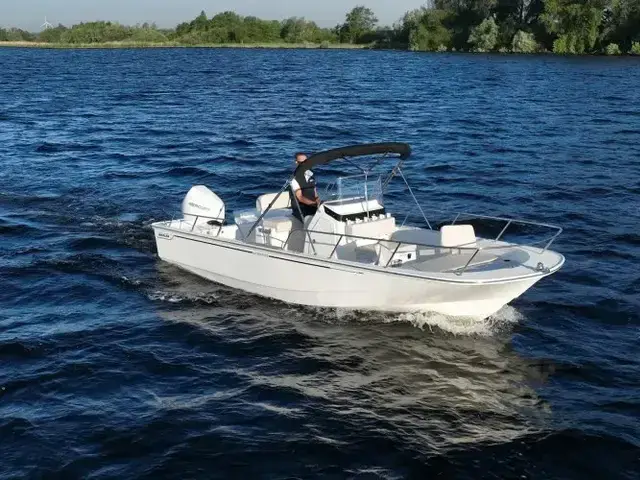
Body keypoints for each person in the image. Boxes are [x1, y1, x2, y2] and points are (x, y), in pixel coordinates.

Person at [289, 152, 320, 222]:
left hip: (312, 205)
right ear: (296, 163)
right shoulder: (294, 178)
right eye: (301, 163)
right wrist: (314, 204)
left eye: (305, 162)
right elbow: (300, 197)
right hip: (300, 208)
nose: (304, 165)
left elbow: (315, 193)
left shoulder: (311, 174)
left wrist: (319, 202)